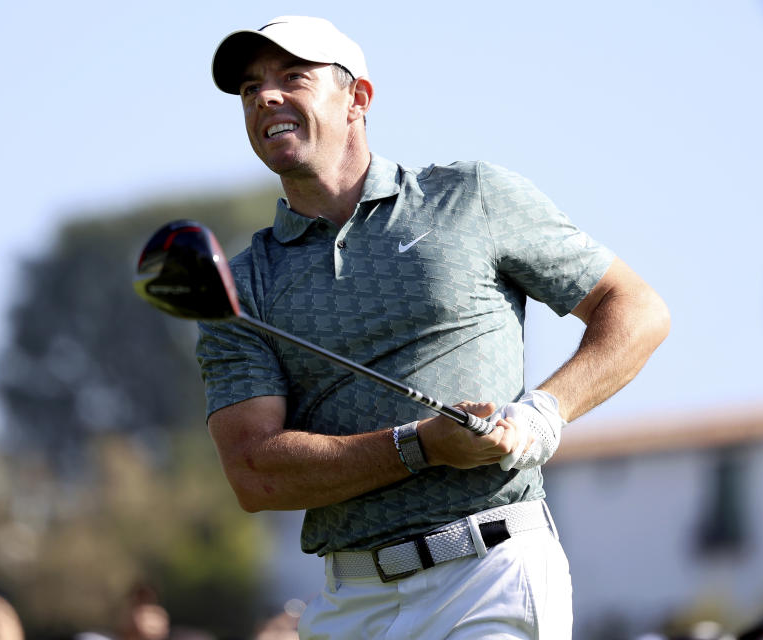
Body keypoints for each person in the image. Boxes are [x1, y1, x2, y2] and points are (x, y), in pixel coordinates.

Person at [199, 15, 670, 640]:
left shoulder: (470, 198)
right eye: (251, 87)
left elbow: (635, 309)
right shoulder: (242, 288)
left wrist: (542, 416)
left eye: (293, 77)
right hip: (350, 602)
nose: (266, 96)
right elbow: (256, 472)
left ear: (357, 99)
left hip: (490, 572)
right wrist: (419, 444)